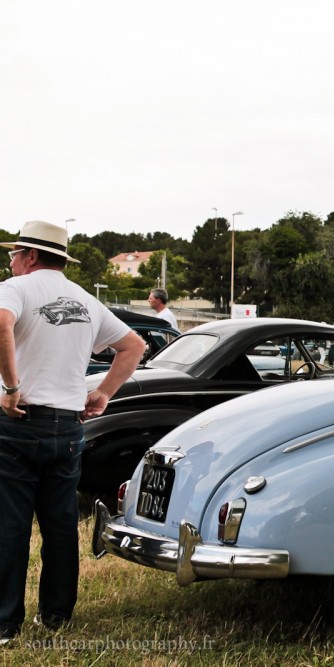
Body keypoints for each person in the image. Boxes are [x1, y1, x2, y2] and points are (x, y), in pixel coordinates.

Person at [0, 221, 146, 645]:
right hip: (68, 426)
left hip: (19, 421)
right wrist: (101, 393)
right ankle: (56, 615)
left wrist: (10, 388)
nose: (9, 261)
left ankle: (6, 623)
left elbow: (2, 324)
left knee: (10, 524)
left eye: (13, 254)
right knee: (61, 524)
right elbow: (134, 346)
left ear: (29, 256)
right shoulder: (85, 300)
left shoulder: (15, 288)